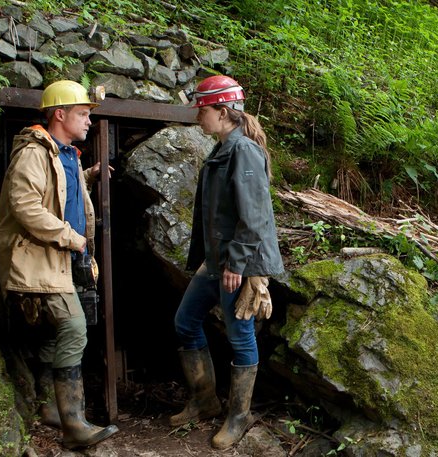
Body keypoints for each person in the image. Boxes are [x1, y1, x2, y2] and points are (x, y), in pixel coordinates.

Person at [0, 80, 118, 449]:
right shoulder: (34, 153)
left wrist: (90, 177)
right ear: (59, 115)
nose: (89, 123)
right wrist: (70, 237)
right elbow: (26, 206)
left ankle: (50, 407)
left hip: (60, 262)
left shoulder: (65, 154)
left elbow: (61, 191)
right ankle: (74, 426)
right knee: (74, 329)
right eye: (82, 114)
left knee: (55, 336)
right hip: (40, 262)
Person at [171, 75, 284, 449]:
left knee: (239, 336)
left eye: (202, 110)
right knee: (185, 321)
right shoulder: (223, 148)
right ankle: (204, 401)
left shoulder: (243, 151)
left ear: (222, 111)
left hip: (239, 261)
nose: (198, 117)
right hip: (217, 260)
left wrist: (236, 264)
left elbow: (253, 217)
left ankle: (239, 417)